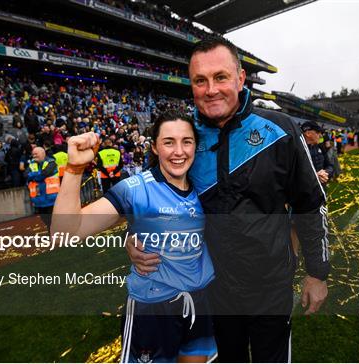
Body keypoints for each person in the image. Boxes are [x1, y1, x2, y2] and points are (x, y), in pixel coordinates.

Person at [128, 37, 329, 362]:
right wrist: (133, 236)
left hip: (271, 286)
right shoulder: (182, 135)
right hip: (209, 289)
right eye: (200, 80)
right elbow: (150, 197)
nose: (211, 89)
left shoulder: (280, 129)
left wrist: (318, 273)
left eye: (220, 77)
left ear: (240, 78)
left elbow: (309, 205)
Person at [51, 112, 217, 363]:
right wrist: (75, 169)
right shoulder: (136, 189)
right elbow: (65, 234)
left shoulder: (205, 187)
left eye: (187, 141)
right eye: (169, 142)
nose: (179, 151)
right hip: (153, 308)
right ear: (154, 147)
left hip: (200, 302)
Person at [26, 147, 59, 232]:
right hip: (39, 199)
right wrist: (37, 175)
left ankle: (55, 233)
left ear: (43, 153)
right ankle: (52, 231)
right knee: (44, 218)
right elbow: (25, 175)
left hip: (51, 197)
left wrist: (33, 175)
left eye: (36, 154)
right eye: (33, 154)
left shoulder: (51, 162)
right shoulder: (31, 164)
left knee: (53, 218)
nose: (34, 155)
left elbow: (45, 173)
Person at [301, 120, 334, 186]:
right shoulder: (298, 149)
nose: (321, 136)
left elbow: (329, 165)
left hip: (321, 187)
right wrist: (314, 176)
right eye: (318, 132)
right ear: (308, 133)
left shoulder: (320, 146)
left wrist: (325, 173)